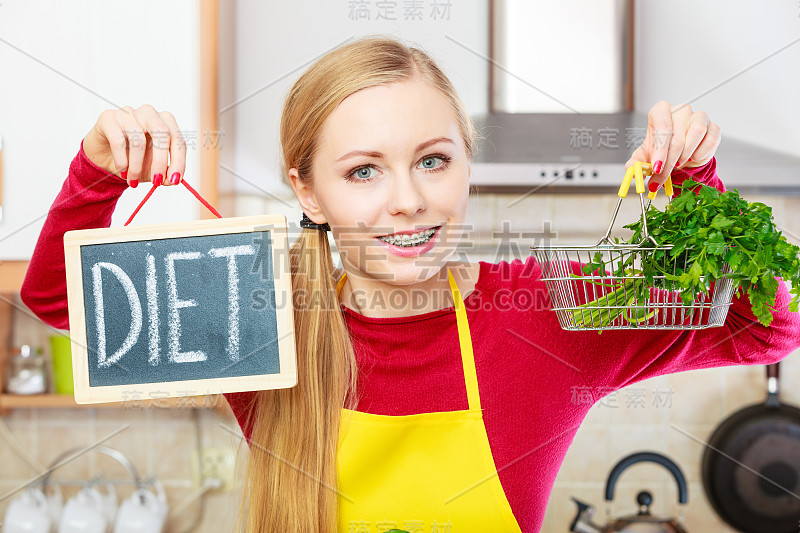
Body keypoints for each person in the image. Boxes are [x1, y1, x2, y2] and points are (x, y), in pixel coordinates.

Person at [20, 35, 800, 533]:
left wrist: (697, 180)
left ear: (467, 164)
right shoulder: (259, 311)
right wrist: (98, 171)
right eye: (364, 170)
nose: (409, 199)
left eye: (434, 159)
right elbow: (58, 302)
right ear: (308, 192)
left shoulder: (547, 311)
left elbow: (769, 330)